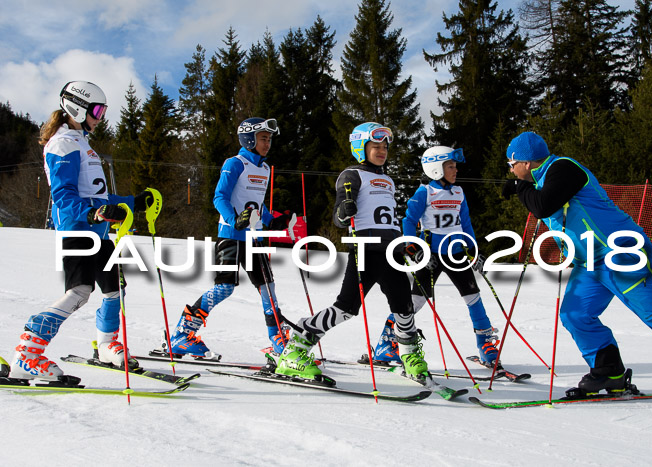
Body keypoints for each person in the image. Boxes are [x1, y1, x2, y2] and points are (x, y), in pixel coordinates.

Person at [502, 131, 652, 402]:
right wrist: (523, 188)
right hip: (591, 263)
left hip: (622, 253)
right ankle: (609, 372)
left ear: (524, 163)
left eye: (511, 165)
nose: (511, 171)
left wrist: (520, 188)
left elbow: (544, 206)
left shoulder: (563, 167)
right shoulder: (543, 180)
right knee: (575, 314)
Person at [9, 81, 153, 382]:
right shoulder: (62, 144)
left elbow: (98, 196)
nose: (100, 118)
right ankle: (27, 353)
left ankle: (105, 346)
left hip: (98, 233)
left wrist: (132, 203)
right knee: (79, 292)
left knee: (115, 289)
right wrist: (92, 213)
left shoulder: (81, 142)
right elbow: (64, 196)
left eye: (103, 111)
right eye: (97, 110)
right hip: (77, 230)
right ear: (78, 107)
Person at [275, 122, 429, 381]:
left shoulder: (388, 180)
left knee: (404, 306)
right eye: (375, 147)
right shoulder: (351, 175)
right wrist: (344, 212)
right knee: (346, 307)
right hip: (365, 249)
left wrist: (406, 245)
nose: (381, 151)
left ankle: (409, 355)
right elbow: (338, 218)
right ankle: (297, 346)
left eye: (384, 147)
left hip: (391, 252)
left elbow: (389, 221)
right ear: (361, 148)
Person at [155, 117, 291, 360]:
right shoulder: (235, 163)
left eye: (269, 139)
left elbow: (257, 205)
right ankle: (182, 335)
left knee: (267, 288)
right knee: (224, 288)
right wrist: (234, 219)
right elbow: (219, 197)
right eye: (263, 139)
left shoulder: (265, 169)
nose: (267, 144)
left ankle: (279, 341)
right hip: (229, 236)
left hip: (254, 239)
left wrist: (273, 220)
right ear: (249, 139)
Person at [368, 145, 499, 367]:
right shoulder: (425, 192)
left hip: (456, 254)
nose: (455, 170)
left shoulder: (458, 192)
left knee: (473, 297)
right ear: (436, 169)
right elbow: (408, 221)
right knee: (414, 302)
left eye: (455, 166)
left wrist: (474, 251)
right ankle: (387, 343)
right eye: (450, 166)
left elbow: (465, 224)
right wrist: (414, 248)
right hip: (431, 257)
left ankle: (486, 346)